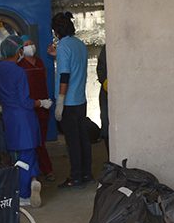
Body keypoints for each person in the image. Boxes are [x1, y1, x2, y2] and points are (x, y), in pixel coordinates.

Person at [0, 35, 53, 207]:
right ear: (18, 51)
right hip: (24, 119)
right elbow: (25, 101)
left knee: (20, 156)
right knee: (27, 156)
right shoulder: (19, 72)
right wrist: (41, 103)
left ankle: (32, 180)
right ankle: (24, 194)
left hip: (9, 117)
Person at [48, 11, 92, 188]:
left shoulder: (63, 46)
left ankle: (75, 177)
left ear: (57, 31)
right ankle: (86, 173)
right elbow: (74, 63)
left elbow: (65, 75)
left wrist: (60, 101)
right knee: (83, 139)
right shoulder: (79, 44)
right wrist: (57, 55)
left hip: (69, 103)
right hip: (80, 100)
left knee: (72, 141)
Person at [18, 35, 54, 181]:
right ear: (21, 49)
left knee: (41, 140)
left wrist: (45, 102)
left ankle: (43, 170)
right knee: (33, 141)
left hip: (44, 106)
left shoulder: (39, 62)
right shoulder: (20, 66)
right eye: (27, 44)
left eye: (31, 43)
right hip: (30, 107)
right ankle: (41, 171)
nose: (30, 47)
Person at [96, 45, 109, 157]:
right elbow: (101, 69)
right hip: (107, 93)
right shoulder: (108, 47)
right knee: (107, 126)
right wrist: (105, 82)